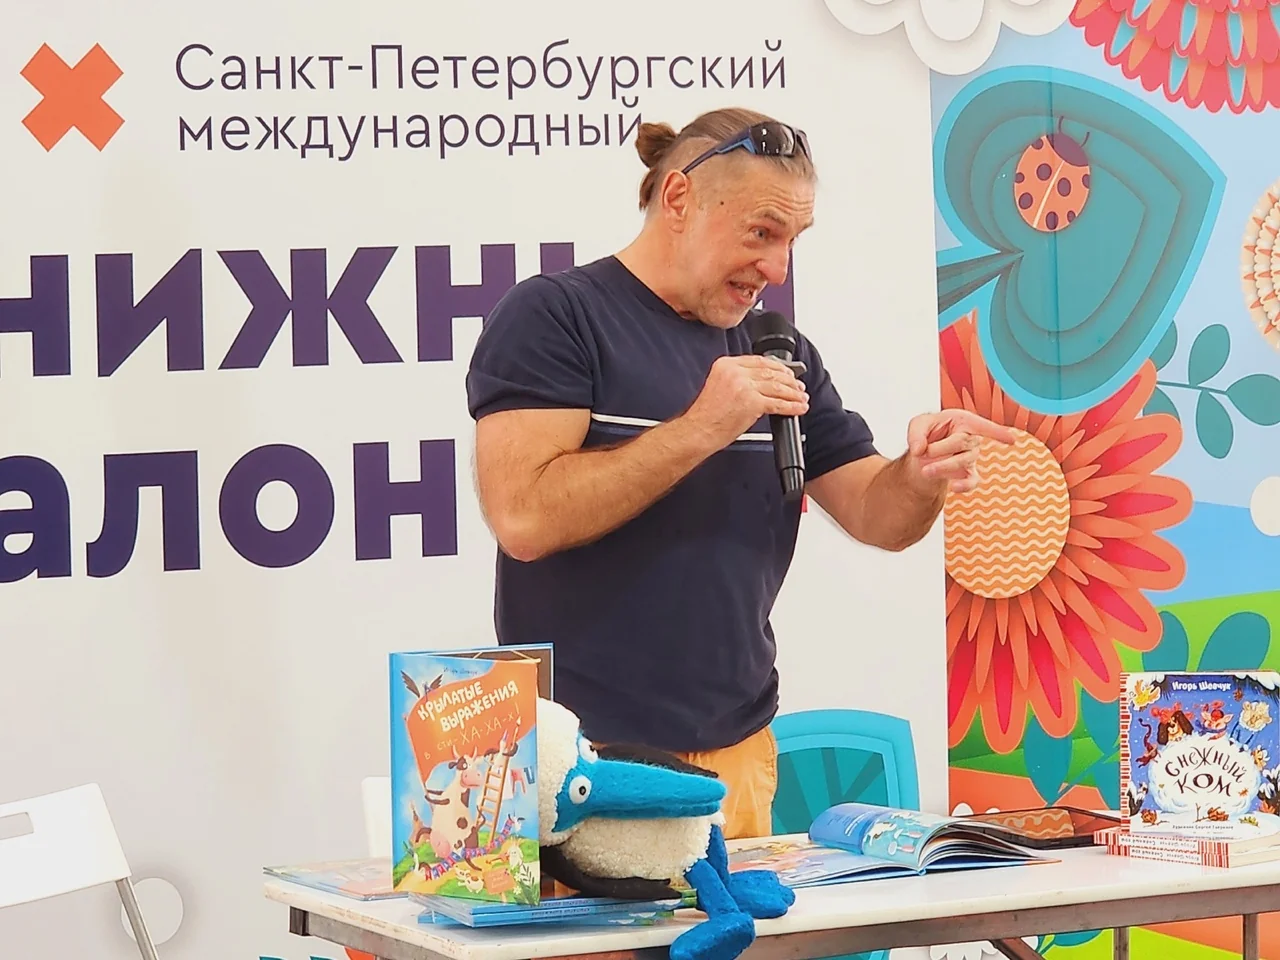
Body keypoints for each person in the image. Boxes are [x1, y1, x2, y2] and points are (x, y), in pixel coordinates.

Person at [464, 106, 1014, 840]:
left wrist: (919, 473)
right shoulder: (556, 316)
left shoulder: (777, 350)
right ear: (679, 199)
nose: (779, 268)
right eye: (762, 233)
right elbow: (524, 519)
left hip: (739, 754)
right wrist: (701, 428)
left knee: (736, 917)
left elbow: (876, 516)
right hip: (583, 760)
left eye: (793, 240)